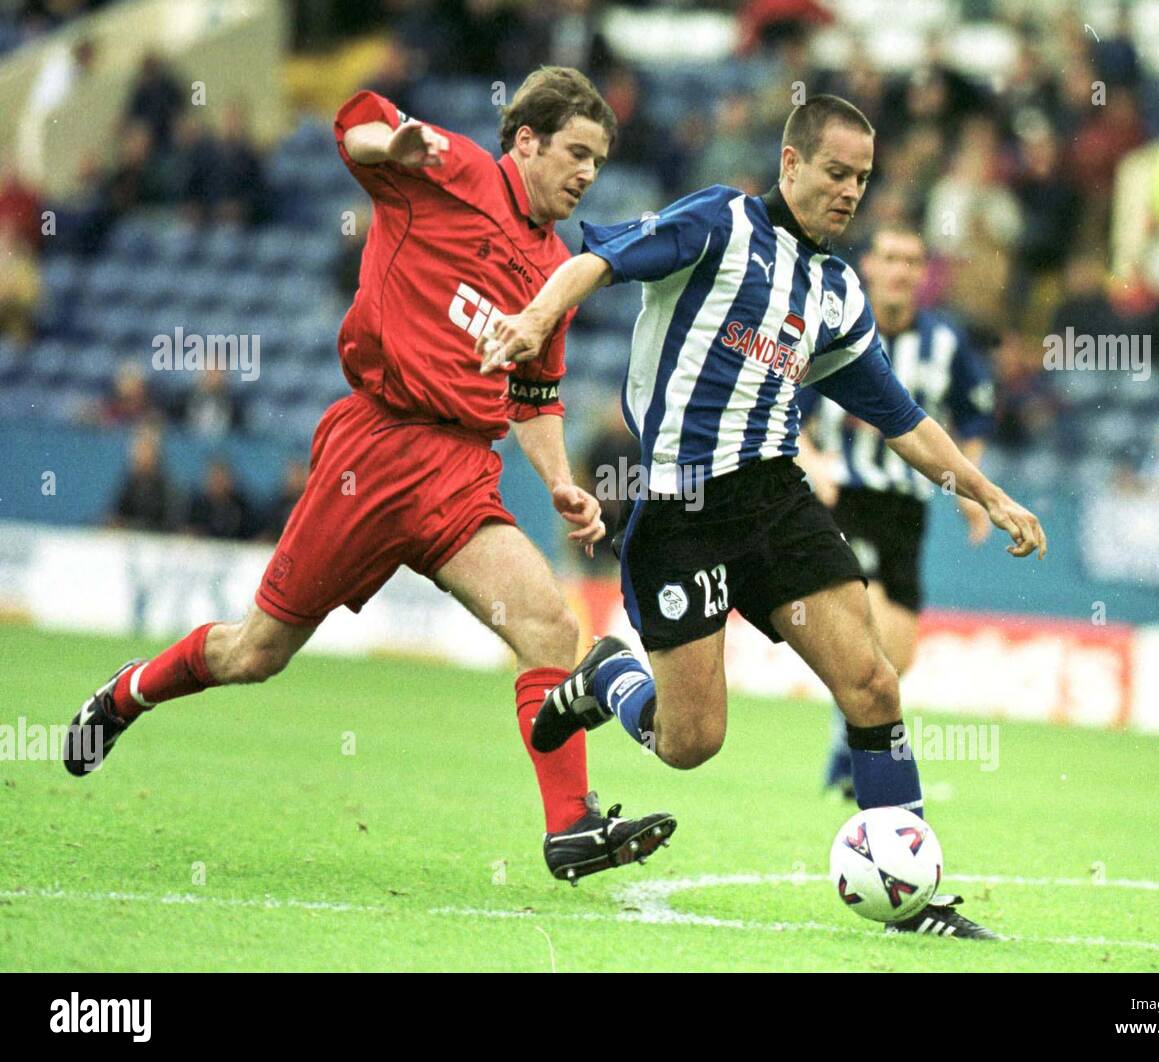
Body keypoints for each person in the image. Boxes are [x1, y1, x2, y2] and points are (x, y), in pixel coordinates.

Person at [64, 67, 674, 884]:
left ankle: (568, 827)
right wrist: (391, 143)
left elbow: (534, 393)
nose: (588, 174)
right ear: (524, 141)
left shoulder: (556, 266)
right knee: (257, 652)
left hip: (460, 469)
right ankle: (127, 694)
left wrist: (560, 481)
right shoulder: (450, 169)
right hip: (376, 451)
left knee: (551, 629)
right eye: (576, 153)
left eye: (598, 161)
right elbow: (353, 124)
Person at [480, 95, 1047, 938]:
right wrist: (532, 318)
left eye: (862, 177)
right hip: (681, 507)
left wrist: (986, 492)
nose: (851, 191)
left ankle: (916, 903)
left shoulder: (836, 293)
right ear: (790, 164)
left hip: (776, 501)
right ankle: (606, 675)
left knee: (871, 681)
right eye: (835, 172)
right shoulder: (718, 222)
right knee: (689, 741)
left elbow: (900, 417)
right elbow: (594, 264)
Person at [797, 223, 994, 797]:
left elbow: (975, 415)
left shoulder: (945, 344)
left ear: (923, 272)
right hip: (846, 498)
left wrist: (968, 490)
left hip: (907, 507)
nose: (902, 269)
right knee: (868, 619)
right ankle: (867, 762)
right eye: (891, 257)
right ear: (870, 268)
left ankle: (843, 743)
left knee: (898, 653)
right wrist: (812, 462)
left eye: (913, 259)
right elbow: (787, 407)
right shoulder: (834, 332)